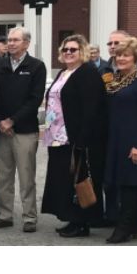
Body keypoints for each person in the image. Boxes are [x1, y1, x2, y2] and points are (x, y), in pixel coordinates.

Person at [40, 34, 107, 237]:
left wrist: (83, 138)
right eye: (65, 49)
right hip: (57, 137)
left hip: (76, 138)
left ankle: (82, 222)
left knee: (78, 178)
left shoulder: (87, 73)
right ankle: (70, 218)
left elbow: (91, 108)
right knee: (63, 179)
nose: (68, 53)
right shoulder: (63, 73)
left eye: (73, 50)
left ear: (82, 52)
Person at [0, 26, 46, 233]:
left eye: (15, 40)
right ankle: (4, 215)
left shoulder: (36, 67)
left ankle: (29, 217)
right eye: (9, 40)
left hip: (24, 130)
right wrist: (0, 121)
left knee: (26, 176)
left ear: (26, 43)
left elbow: (34, 99)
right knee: (3, 175)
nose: (11, 43)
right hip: (1, 130)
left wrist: (12, 121)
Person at [102, 36, 137, 243]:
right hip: (117, 139)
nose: (121, 58)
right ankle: (133, 225)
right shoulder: (115, 78)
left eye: (126, 55)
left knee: (130, 184)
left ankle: (123, 228)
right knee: (122, 183)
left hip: (134, 140)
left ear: (136, 57)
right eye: (118, 55)